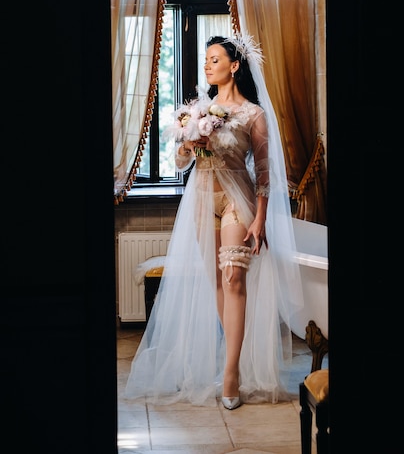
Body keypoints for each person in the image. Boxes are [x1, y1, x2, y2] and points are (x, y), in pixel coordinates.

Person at [124, 34, 304, 409]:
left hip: (238, 198)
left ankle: (231, 375)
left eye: (214, 58)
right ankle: (233, 357)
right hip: (203, 199)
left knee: (233, 277)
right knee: (216, 283)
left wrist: (261, 220)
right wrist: (189, 144)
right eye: (206, 59)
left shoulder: (254, 114)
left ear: (234, 65)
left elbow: (265, 173)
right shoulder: (197, 110)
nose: (207, 64)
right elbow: (179, 163)